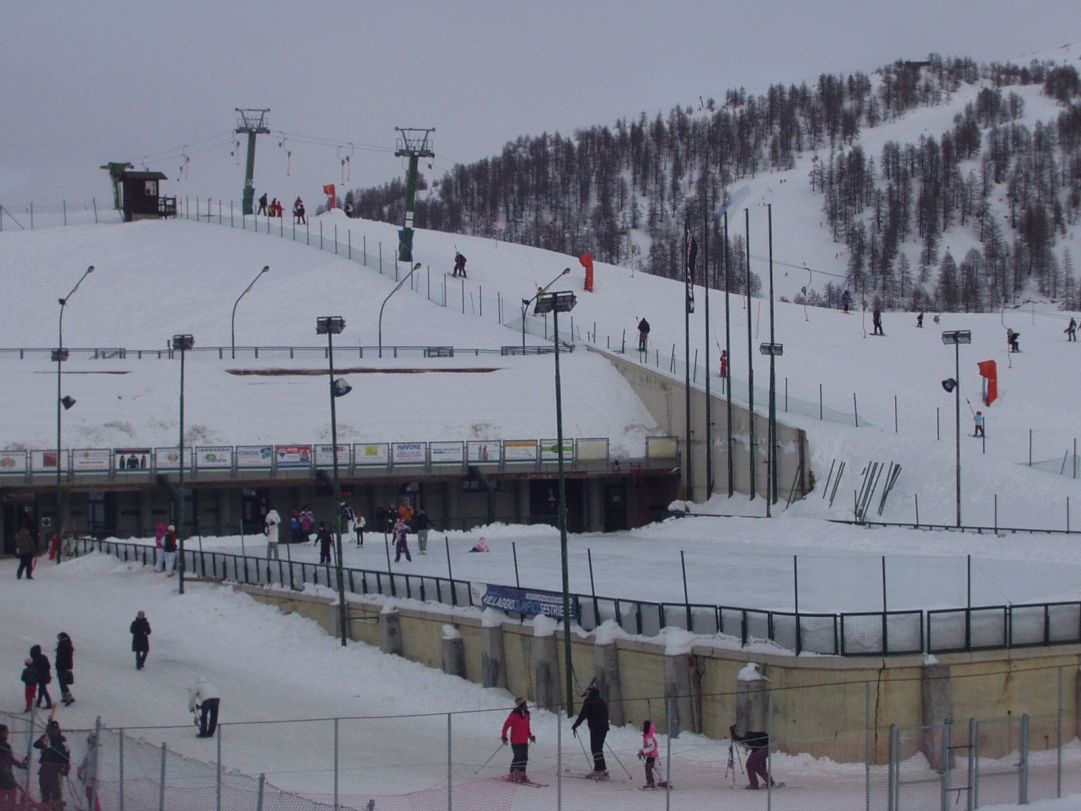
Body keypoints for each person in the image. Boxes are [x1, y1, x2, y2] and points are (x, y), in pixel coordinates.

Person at [572, 686, 610, 779]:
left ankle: (599, 769)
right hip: (603, 728)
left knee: (595, 749)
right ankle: (601, 768)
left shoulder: (589, 702)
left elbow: (582, 715)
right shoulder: (602, 702)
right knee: (598, 748)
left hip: (595, 728)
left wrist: (575, 725)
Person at [33, 720, 69, 808]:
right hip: (45, 769)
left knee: (56, 795)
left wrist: (66, 766)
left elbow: (66, 755)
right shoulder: (46, 737)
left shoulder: (62, 740)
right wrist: (45, 739)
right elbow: (36, 745)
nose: (54, 731)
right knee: (45, 794)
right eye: (52, 729)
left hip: (56, 770)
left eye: (55, 729)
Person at [501, 697, 535, 783]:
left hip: (524, 740)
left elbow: (527, 728)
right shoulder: (514, 714)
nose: (525, 705)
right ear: (520, 705)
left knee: (524, 757)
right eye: (523, 704)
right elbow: (506, 725)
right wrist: (504, 736)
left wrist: (530, 736)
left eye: (525, 704)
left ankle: (522, 774)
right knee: (518, 757)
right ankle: (513, 774)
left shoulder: (527, 715)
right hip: (515, 740)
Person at [730, 724, 771, 790]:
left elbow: (741, 740)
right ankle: (770, 782)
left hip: (759, 750)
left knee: (749, 765)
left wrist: (733, 734)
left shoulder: (748, 735)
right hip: (766, 749)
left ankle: (754, 785)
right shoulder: (754, 735)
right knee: (756, 766)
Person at [0, 723, 29, 806]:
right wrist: (22, 765)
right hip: (5, 778)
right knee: (10, 798)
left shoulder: (5, 746)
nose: (7, 734)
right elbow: (10, 760)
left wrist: (22, 765)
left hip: (5, 777)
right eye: (6, 732)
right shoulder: (5, 746)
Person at [76, 731, 103, 811]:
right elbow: (86, 761)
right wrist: (81, 768)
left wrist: (95, 776)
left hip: (93, 777)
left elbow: (98, 765)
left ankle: (96, 809)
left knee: (93, 795)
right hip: (88, 776)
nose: (89, 742)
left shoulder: (97, 751)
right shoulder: (90, 750)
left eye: (90, 740)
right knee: (88, 794)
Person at [637, 720, 667, 789]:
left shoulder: (648, 737)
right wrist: (644, 753)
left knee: (648, 769)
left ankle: (650, 783)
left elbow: (652, 747)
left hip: (652, 756)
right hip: (653, 755)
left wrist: (643, 752)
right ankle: (664, 781)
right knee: (658, 768)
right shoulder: (648, 736)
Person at [29, 645, 52, 710]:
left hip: (42, 677)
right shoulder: (42, 657)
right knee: (41, 689)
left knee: (43, 689)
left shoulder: (37, 658)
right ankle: (39, 702)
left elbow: (44, 667)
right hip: (43, 676)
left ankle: (48, 702)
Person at [55, 632, 75, 706]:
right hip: (65, 666)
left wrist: (58, 665)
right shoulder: (67, 644)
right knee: (62, 682)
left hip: (62, 667)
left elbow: (61, 657)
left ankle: (68, 697)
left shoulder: (63, 645)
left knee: (62, 682)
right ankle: (65, 696)